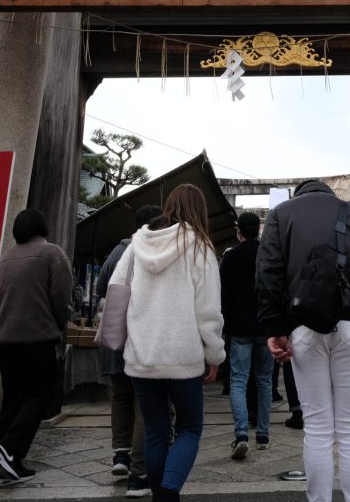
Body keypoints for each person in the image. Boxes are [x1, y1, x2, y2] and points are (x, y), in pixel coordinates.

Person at [257, 179, 350, 502]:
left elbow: (268, 272)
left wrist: (274, 328)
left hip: (302, 324)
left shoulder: (281, 215)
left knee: (318, 428)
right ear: (329, 194)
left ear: (299, 196)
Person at [108, 185, 224, 502]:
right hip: (183, 357)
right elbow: (209, 311)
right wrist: (214, 353)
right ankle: (168, 493)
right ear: (200, 211)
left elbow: (116, 290)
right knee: (190, 428)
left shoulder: (137, 244)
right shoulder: (201, 247)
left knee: (156, 430)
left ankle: (160, 492)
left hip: (142, 355)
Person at [0, 209, 72, 488]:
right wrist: (60, 326)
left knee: (14, 398)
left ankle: (6, 466)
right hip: (38, 337)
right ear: (43, 228)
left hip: (7, 340)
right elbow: (60, 297)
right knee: (40, 393)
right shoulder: (52, 254)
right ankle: (8, 449)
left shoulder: (5, 260)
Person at [95, 204, 162, 498]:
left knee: (121, 397)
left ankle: (120, 457)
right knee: (144, 403)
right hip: (142, 339)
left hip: (116, 338)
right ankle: (139, 471)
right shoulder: (157, 254)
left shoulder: (118, 251)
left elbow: (100, 289)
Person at [220, 211, 274, 459]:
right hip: (265, 327)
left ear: (238, 231)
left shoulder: (230, 259)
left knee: (238, 381)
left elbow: (223, 298)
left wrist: (227, 325)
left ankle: (241, 434)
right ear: (259, 230)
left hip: (239, 329)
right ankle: (262, 435)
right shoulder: (269, 256)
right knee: (264, 380)